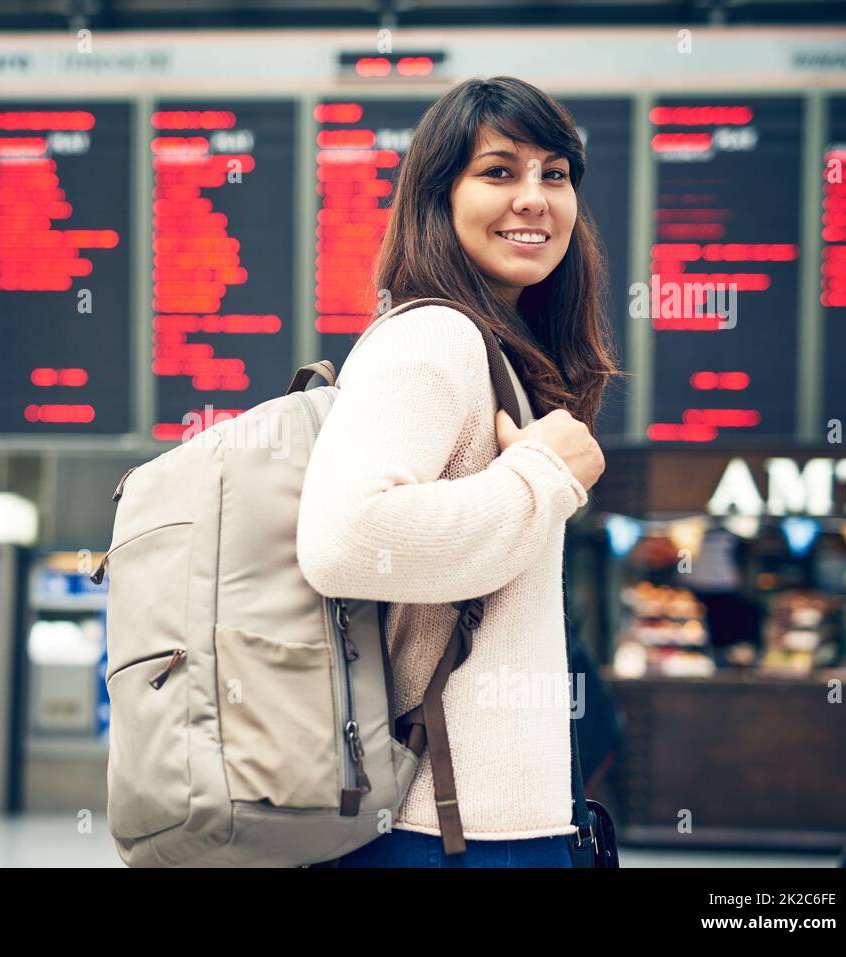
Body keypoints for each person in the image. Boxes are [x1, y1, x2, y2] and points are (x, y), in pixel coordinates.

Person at [298, 76, 619, 867]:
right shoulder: (434, 336)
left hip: (482, 822)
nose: (535, 198)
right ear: (437, 198)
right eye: (499, 171)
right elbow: (344, 538)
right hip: (443, 830)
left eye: (555, 173)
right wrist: (545, 477)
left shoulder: (497, 347)